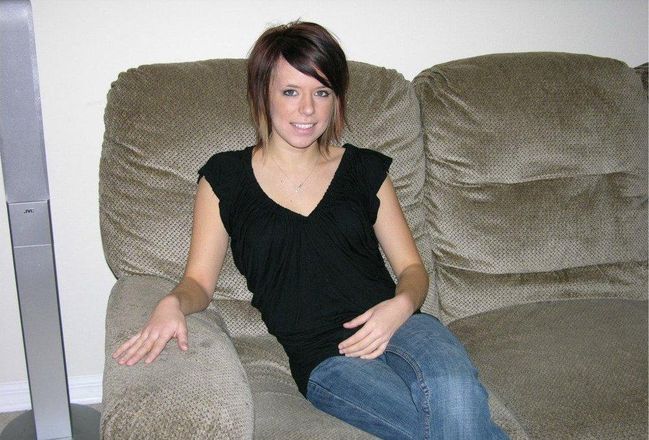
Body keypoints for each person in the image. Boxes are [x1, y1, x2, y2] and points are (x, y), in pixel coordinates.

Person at [112, 21, 508, 440]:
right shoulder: (224, 178)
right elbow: (198, 282)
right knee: (433, 426)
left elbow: (411, 268)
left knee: (454, 392)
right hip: (327, 359)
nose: (307, 109)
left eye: (322, 92)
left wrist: (401, 305)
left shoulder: (363, 169)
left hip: (403, 326)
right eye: (290, 92)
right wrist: (172, 303)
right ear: (262, 94)